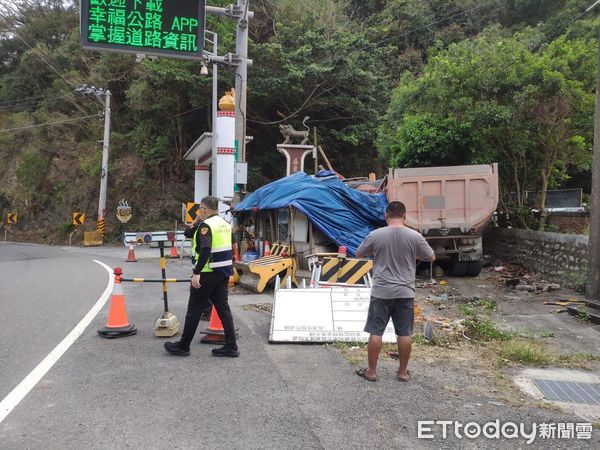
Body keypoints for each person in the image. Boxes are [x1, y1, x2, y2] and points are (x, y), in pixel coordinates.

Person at [355, 201, 434, 382]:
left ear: (386, 216)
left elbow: (359, 254)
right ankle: (403, 373)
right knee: (404, 333)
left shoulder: (375, 235)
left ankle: (372, 372)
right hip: (405, 292)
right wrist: (412, 253)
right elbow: (431, 256)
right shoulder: (415, 236)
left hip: (381, 291)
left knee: (376, 332)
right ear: (405, 216)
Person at [164, 196, 239, 358]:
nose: (199, 212)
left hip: (206, 273)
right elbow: (233, 245)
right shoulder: (225, 225)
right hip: (223, 273)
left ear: (204, 209)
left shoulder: (206, 226)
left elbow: (205, 249)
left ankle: (183, 346)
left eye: (200, 209)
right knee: (223, 309)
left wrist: (196, 273)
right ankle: (231, 346)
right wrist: (198, 219)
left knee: (194, 310)